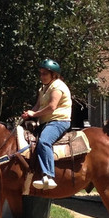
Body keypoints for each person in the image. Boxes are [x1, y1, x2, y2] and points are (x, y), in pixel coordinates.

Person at [21, 58, 72, 191]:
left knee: (44, 141)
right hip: (46, 122)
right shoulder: (43, 88)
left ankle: (48, 176)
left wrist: (34, 114)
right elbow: (38, 105)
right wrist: (29, 113)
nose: (42, 76)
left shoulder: (58, 86)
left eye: (45, 73)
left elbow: (51, 107)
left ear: (53, 75)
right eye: (41, 73)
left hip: (59, 122)